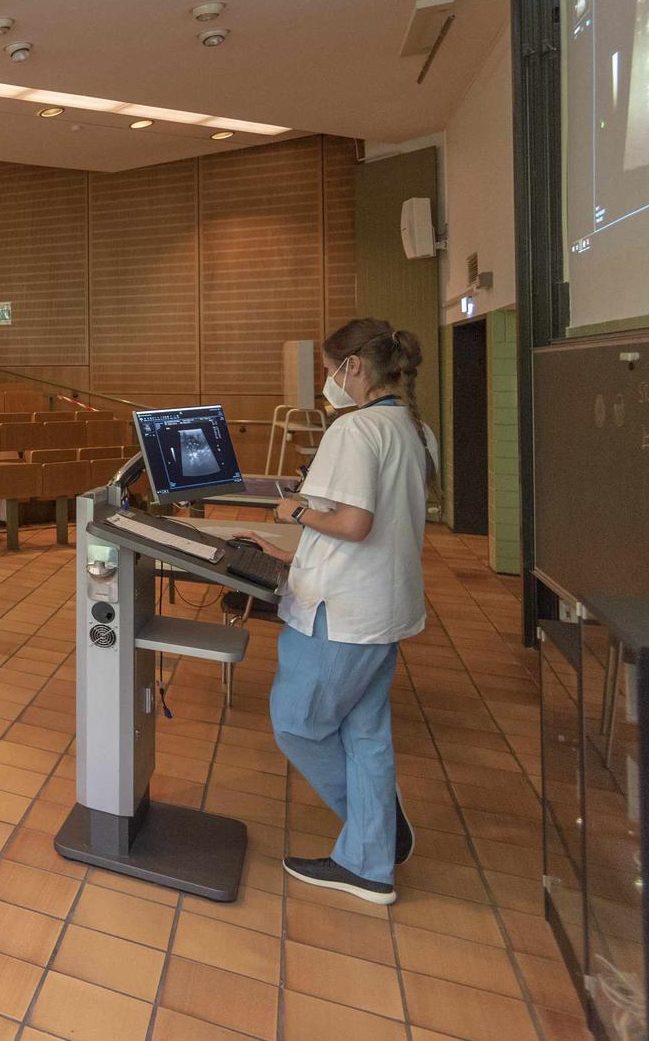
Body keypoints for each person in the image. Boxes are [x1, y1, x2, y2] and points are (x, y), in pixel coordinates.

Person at [234, 318, 438, 907]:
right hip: (382, 607)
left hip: (343, 612)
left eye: (330, 370)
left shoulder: (356, 429)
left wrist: (293, 513)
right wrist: (290, 554)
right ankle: (369, 865)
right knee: (366, 733)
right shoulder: (413, 426)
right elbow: (379, 522)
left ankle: (377, 833)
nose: (328, 380)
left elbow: (353, 522)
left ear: (353, 367)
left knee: (296, 724)